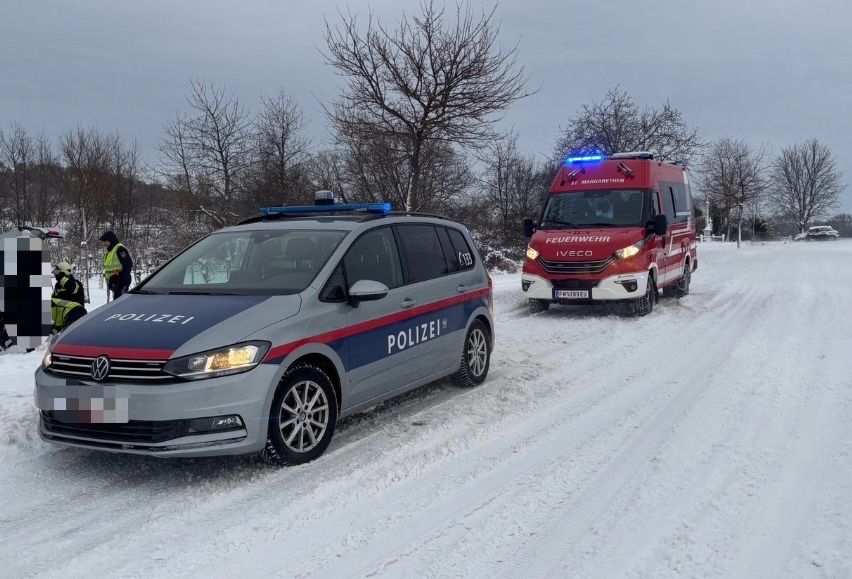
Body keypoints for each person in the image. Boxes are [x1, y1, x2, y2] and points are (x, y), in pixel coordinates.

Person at [50, 261, 87, 334]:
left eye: (57, 273)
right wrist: (55, 329)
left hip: (76, 319)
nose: (55, 276)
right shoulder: (58, 286)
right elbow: (57, 307)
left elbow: (72, 288)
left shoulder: (76, 284)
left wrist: (62, 278)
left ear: (63, 273)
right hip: (62, 323)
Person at [99, 230, 133, 299]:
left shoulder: (120, 249)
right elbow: (111, 268)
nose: (104, 244)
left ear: (111, 240)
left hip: (121, 281)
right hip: (114, 282)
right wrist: (112, 281)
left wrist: (117, 277)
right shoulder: (109, 251)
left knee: (120, 305)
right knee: (117, 303)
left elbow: (128, 265)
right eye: (103, 242)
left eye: (105, 242)